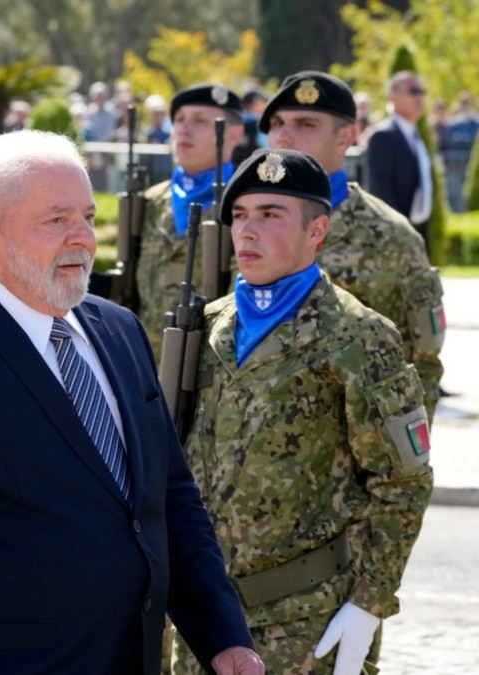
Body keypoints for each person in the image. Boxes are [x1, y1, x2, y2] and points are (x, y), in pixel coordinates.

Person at [0, 130, 263, 675]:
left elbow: (168, 498)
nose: (83, 238)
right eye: (56, 220)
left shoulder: (119, 330)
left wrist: (223, 636)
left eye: (87, 217)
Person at [174, 148, 433, 674]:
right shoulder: (205, 328)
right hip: (204, 617)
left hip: (305, 618)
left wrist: (369, 602)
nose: (247, 231)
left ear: (318, 231)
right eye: (240, 215)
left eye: (270, 215)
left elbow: (403, 483)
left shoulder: (359, 336)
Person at [263, 70, 445, 421]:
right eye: (276, 122)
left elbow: (422, 369)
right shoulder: (238, 226)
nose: (284, 136)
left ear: (345, 136)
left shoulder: (393, 238)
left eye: (305, 124)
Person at [138, 83, 244, 357]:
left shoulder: (246, 204)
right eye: (179, 120)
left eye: (199, 120)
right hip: (144, 363)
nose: (183, 129)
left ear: (234, 134)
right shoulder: (149, 202)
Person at [365, 71, 434, 241]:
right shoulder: (383, 135)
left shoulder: (415, 134)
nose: (419, 97)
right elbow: (380, 190)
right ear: (393, 96)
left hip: (417, 229)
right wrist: (398, 230)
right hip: (395, 235)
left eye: (421, 92)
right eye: (413, 91)